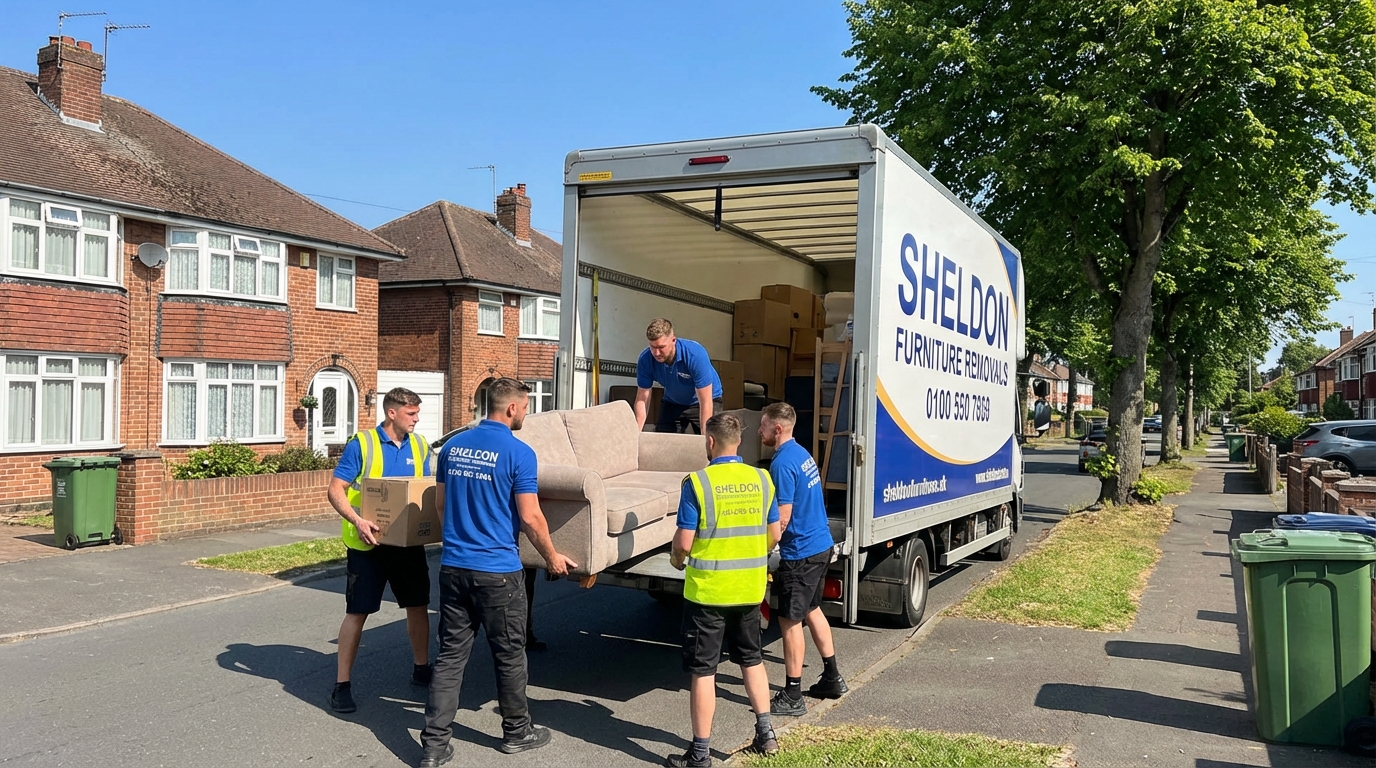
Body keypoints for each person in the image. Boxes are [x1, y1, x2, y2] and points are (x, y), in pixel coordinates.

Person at [419, 378, 577, 767]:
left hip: (454, 566)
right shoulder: (519, 453)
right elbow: (530, 517)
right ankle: (516, 732)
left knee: (451, 657)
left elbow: (440, 507)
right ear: (510, 408)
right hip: (498, 573)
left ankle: (434, 747)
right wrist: (553, 556)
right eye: (525, 406)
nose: (526, 413)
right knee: (508, 654)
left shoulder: (452, 448)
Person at [667, 413, 781, 768]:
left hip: (708, 595)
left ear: (711, 441)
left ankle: (700, 753)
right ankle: (766, 734)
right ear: (739, 443)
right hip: (749, 590)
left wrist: (675, 557)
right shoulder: (762, 479)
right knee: (752, 659)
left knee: (704, 671)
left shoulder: (698, 483)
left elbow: (684, 543)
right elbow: (774, 534)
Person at [325, 388, 434, 715]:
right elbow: (335, 490)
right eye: (411, 413)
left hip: (406, 544)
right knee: (357, 613)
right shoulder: (363, 445)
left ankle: (421, 667)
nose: (417, 419)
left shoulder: (420, 445)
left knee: (418, 605)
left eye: (417, 413)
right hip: (367, 545)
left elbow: (427, 488)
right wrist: (358, 521)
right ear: (392, 413)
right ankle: (341, 685)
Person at [758, 403, 847, 717]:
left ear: (778, 429)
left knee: (789, 621)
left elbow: (782, 518)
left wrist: (762, 550)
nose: (760, 431)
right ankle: (832, 677)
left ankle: (793, 693)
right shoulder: (803, 455)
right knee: (812, 609)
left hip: (801, 553)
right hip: (821, 544)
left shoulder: (781, 464)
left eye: (764, 426)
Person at [635, 318, 723, 433]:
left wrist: (705, 438)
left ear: (673, 340)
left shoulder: (694, 355)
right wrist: (636, 433)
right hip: (673, 401)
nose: (656, 353)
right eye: (653, 347)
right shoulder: (645, 359)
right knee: (662, 441)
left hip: (704, 400)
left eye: (661, 347)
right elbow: (642, 399)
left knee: (712, 439)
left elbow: (706, 401)